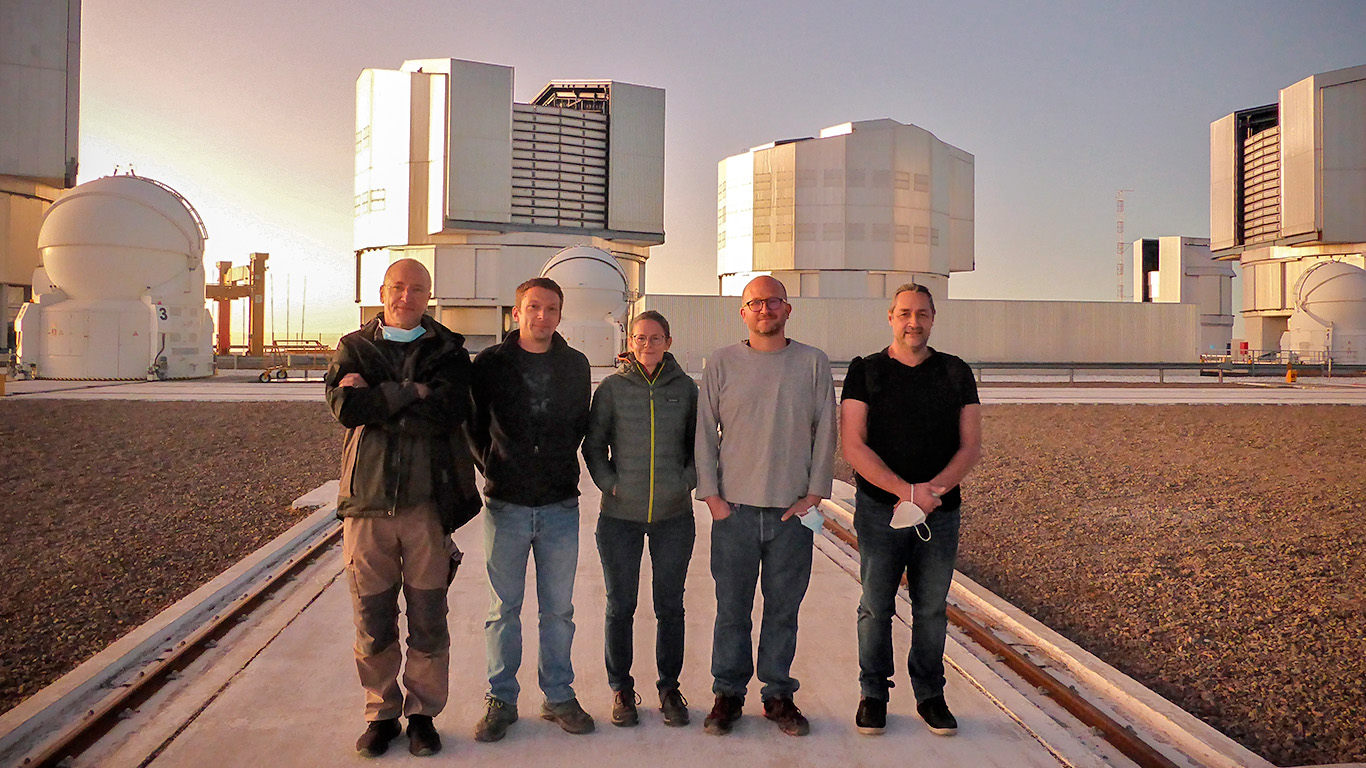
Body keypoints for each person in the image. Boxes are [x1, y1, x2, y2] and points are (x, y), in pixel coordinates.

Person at [325, 258, 478, 758]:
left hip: (427, 506)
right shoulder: (355, 346)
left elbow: (450, 412)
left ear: (428, 296)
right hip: (366, 504)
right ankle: (382, 711)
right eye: (398, 287)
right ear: (383, 291)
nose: (406, 297)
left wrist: (380, 400)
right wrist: (413, 392)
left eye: (416, 289)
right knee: (373, 616)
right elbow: (347, 410)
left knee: (429, 615)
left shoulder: (449, 351)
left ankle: (423, 714)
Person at [695, 275, 836, 737]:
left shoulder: (812, 363)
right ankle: (727, 694)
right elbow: (703, 436)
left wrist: (813, 496)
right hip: (733, 512)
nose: (764, 309)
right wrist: (713, 498)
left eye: (773, 301)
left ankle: (778, 694)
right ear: (743, 312)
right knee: (731, 608)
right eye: (755, 303)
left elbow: (826, 433)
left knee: (782, 610)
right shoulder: (720, 363)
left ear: (787, 309)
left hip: (791, 516)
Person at [840, 283, 982, 737]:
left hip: (939, 513)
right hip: (880, 512)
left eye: (921, 313)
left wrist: (931, 492)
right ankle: (873, 694)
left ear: (933, 318)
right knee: (875, 607)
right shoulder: (865, 371)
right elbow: (853, 444)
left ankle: (929, 695)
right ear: (890, 317)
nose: (913, 321)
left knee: (931, 609)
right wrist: (904, 491)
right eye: (904, 313)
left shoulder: (956, 372)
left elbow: (971, 445)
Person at [466, 277, 594, 741]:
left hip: (560, 504)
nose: (542, 316)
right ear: (516, 312)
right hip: (507, 505)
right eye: (533, 307)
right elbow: (473, 423)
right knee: (504, 609)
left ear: (560, 315)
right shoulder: (492, 364)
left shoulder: (575, 365)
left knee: (558, 610)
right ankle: (501, 699)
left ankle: (558, 695)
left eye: (551, 308)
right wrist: (496, 466)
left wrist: (555, 462)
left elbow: (580, 422)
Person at [583, 311, 699, 728]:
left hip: (673, 516)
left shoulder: (685, 389)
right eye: (639, 338)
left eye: (654, 338)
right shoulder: (613, 389)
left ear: (668, 341)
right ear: (630, 342)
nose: (646, 344)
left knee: (670, 605)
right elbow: (593, 444)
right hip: (620, 518)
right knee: (621, 605)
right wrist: (609, 483)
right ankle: (621, 689)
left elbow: (698, 446)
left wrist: (684, 482)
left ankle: (669, 687)